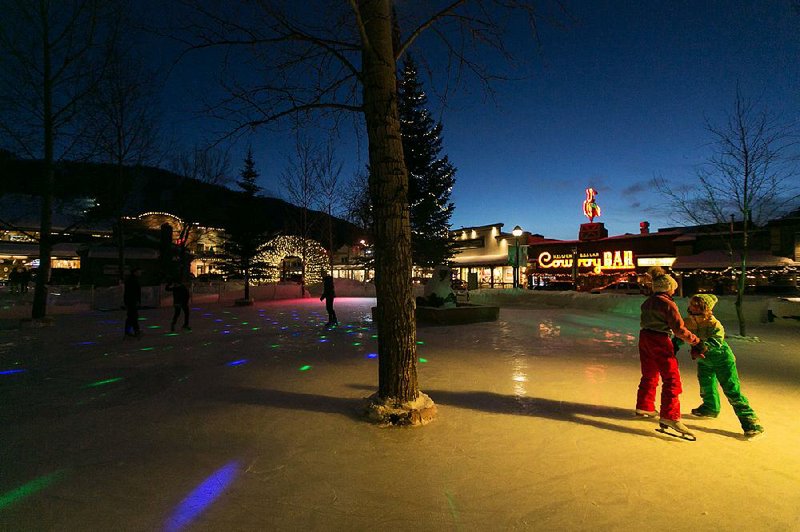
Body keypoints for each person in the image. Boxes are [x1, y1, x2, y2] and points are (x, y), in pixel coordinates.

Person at [679, 293, 764, 437]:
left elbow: (716, 340)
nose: (693, 307)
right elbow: (682, 334)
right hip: (704, 359)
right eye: (692, 303)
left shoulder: (714, 323)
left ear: (705, 308)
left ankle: (750, 420)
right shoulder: (688, 322)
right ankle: (710, 407)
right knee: (706, 384)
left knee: (731, 389)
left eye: (697, 305)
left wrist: (702, 347)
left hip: (722, 358)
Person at [636, 266, 702, 438]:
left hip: (645, 337)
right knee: (671, 378)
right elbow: (679, 330)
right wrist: (696, 341)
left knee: (649, 373)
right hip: (660, 339)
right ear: (668, 288)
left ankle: (645, 405)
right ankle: (670, 416)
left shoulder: (647, 302)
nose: (675, 290)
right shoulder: (668, 304)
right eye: (673, 287)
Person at [123, 267, 142, 337]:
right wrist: (137, 301)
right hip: (132, 301)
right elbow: (133, 292)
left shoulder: (131, 280)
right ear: (135, 272)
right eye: (139, 272)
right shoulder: (132, 281)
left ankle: (131, 330)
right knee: (133, 316)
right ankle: (134, 331)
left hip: (131, 301)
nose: (140, 273)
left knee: (132, 316)